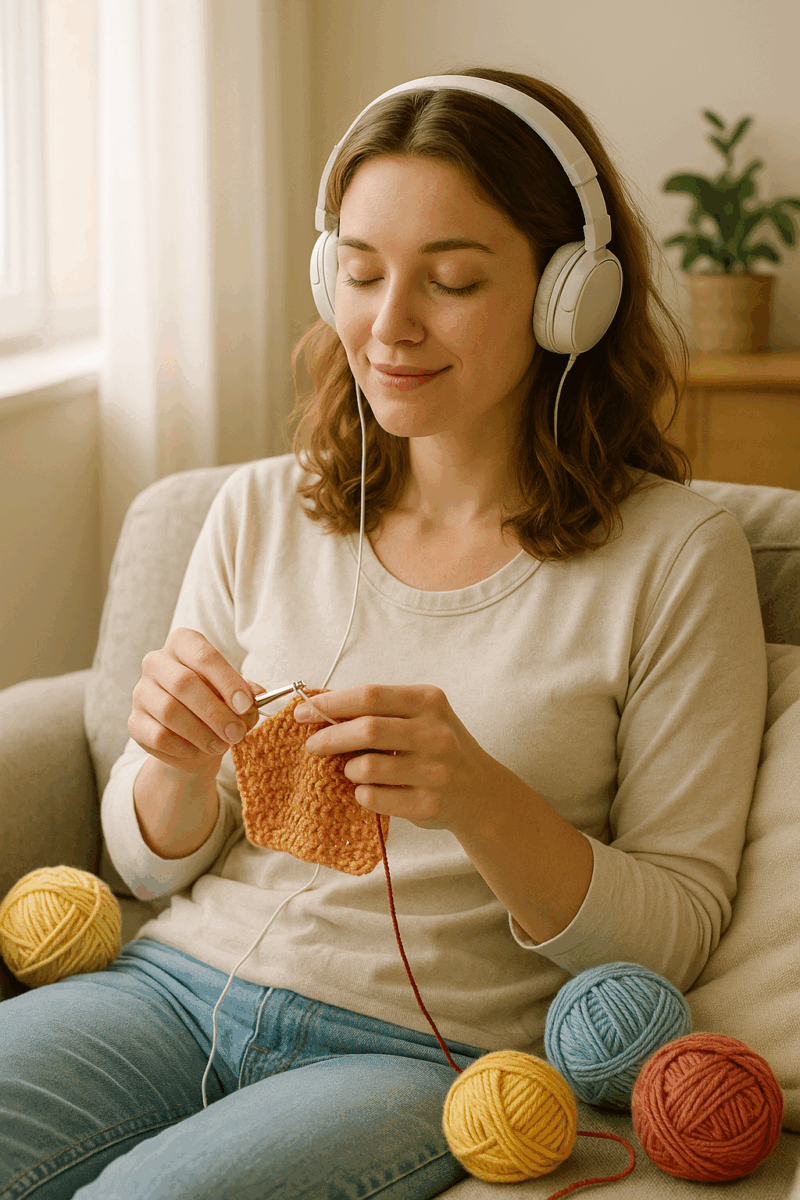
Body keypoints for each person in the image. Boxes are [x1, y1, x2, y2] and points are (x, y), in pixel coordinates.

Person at [0, 65, 768, 1200]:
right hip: (167, 983)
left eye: (450, 280)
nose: (388, 324)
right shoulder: (258, 510)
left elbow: (673, 936)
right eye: (358, 273)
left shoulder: (672, 557)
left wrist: (481, 797)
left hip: (416, 1051)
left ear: (571, 296)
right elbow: (146, 856)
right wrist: (171, 760)